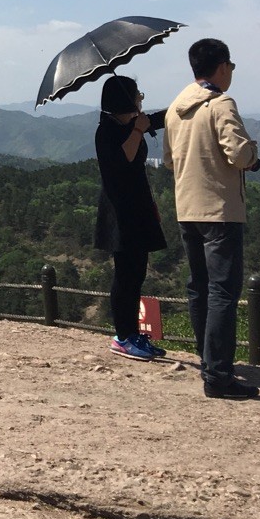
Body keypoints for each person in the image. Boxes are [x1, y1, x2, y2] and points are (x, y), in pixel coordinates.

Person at [164, 38, 260, 400]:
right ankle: (219, 376)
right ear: (221, 67)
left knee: (199, 288)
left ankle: (209, 363)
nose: (231, 73)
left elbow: (170, 160)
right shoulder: (221, 103)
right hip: (220, 210)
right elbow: (238, 153)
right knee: (223, 291)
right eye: (231, 67)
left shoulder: (175, 107)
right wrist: (253, 155)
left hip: (186, 208)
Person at [94, 76, 167, 361]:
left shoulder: (126, 125)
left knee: (137, 273)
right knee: (125, 276)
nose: (141, 99)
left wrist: (151, 204)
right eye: (138, 95)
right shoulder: (107, 131)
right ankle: (123, 336)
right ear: (125, 99)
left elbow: (137, 168)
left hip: (137, 209)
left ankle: (133, 334)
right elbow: (123, 161)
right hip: (120, 214)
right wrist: (137, 129)